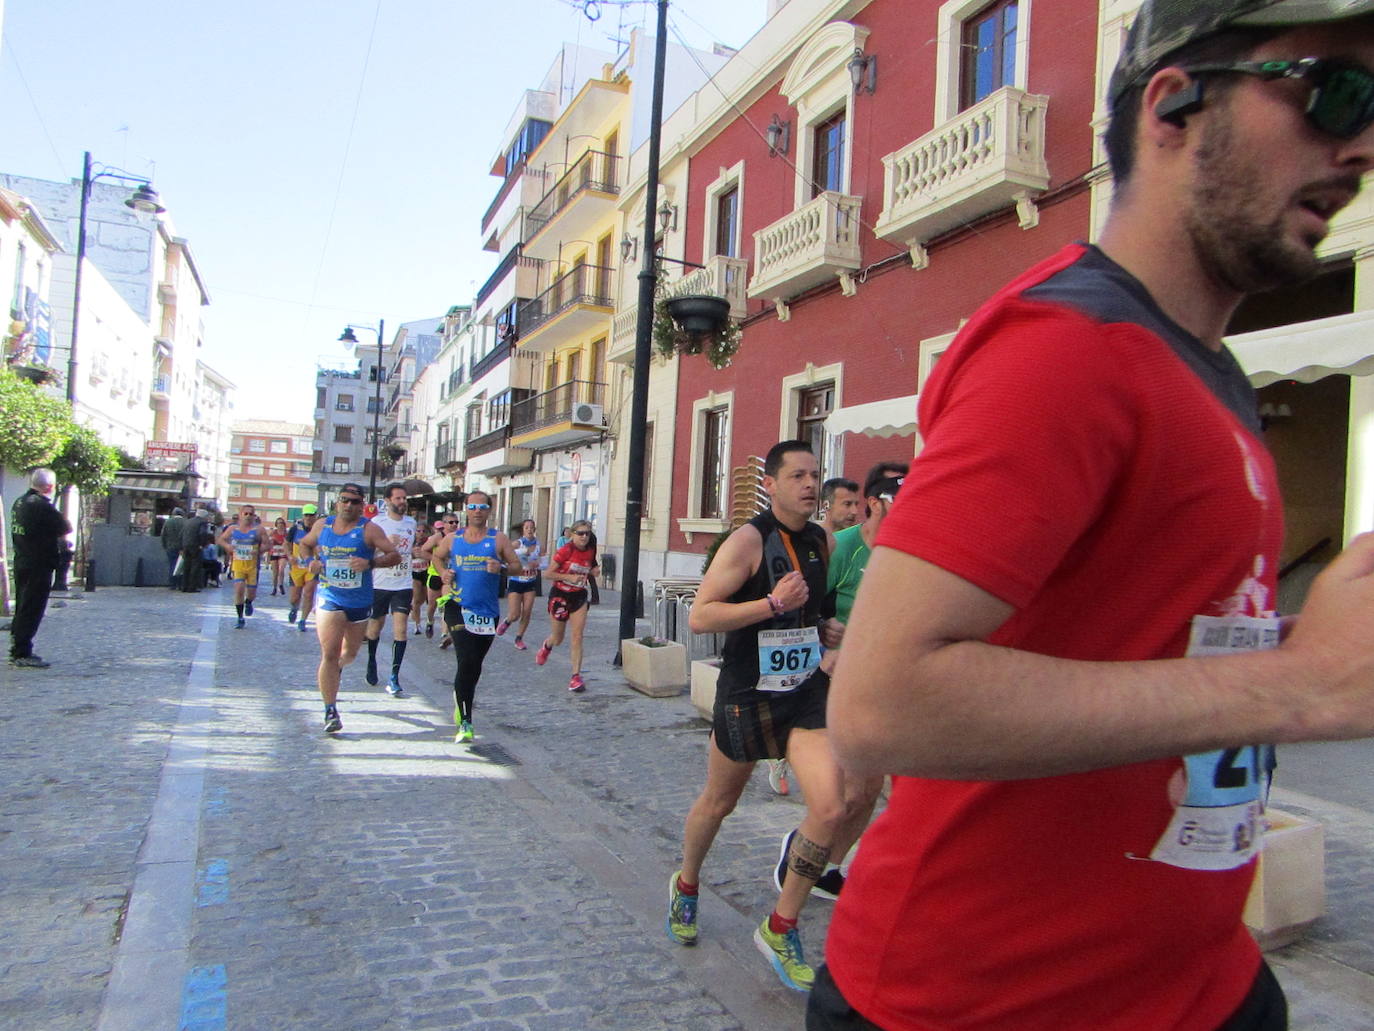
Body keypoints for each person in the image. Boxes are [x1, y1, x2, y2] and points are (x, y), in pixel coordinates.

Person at [813, 4, 1374, 1028]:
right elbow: (880, 703)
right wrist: (1303, 684)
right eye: (1336, 91)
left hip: (1192, 977)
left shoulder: (1209, 373)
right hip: (984, 999)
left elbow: (1142, 635)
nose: (1364, 144)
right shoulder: (1067, 346)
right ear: (1174, 108)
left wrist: (1315, 634)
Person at [666, 441, 853, 993]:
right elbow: (701, 616)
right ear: (769, 483)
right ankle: (688, 883)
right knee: (719, 802)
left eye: (814, 474)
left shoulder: (822, 540)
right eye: (796, 475)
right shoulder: (747, 541)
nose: (809, 484)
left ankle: (781, 925)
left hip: (803, 693)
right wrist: (769, 604)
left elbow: (811, 612)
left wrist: (824, 629)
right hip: (749, 693)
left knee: (832, 806)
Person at [774, 461, 907, 894]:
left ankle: (826, 866)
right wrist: (824, 642)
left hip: (883, 682)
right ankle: (798, 857)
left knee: (868, 792)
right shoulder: (843, 549)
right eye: (898, 501)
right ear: (875, 505)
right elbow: (802, 609)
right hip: (832, 680)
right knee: (847, 791)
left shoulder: (909, 553)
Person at [294, 482, 401, 734]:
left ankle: (339, 667)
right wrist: (311, 562)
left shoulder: (370, 530)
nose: (349, 505)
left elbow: (395, 556)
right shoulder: (323, 526)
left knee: (349, 654)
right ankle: (330, 709)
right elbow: (305, 544)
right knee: (328, 653)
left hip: (360, 601)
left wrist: (370, 563)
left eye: (354, 501)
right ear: (337, 502)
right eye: (344, 500)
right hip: (330, 597)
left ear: (362, 505)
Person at [430, 490, 525, 742]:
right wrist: (443, 574)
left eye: (482, 507)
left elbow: (518, 566)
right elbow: (437, 557)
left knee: (474, 665)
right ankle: (466, 722)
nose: (477, 511)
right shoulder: (453, 538)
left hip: (486, 611)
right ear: (466, 510)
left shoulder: (498, 539)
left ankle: (460, 694)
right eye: (472, 507)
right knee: (465, 658)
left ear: (489, 511)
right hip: (457, 604)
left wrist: (502, 568)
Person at [9, 468, 71, 668]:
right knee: (32, 608)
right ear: (50, 486)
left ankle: (17, 647)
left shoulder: (19, 502)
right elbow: (65, 527)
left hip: (22, 560)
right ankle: (22, 652)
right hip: (39, 563)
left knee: (22, 605)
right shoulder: (42, 506)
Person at [363, 483, 418, 697]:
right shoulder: (376, 524)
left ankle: (394, 677)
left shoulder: (411, 523)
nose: (402, 502)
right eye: (398, 498)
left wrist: (414, 551)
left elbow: (409, 550)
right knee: (374, 629)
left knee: (401, 629)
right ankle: (371, 660)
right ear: (387, 501)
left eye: (404, 498)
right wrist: (384, 544)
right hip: (379, 584)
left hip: (403, 583)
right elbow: (367, 552)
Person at [535, 519, 598, 692]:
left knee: (577, 636)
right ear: (572, 534)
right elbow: (548, 574)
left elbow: (592, 566)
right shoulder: (566, 550)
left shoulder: (591, 549)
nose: (584, 537)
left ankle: (575, 676)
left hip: (579, 596)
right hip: (560, 595)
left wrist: (594, 571)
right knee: (558, 638)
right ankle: (547, 645)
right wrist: (569, 577)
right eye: (580, 533)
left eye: (587, 533)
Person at [218, 506, 268, 627]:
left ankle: (249, 602)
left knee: (251, 593)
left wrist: (259, 551)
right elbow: (221, 540)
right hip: (238, 564)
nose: (248, 516)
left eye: (251, 514)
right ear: (240, 515)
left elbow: (267, 544)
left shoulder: (259, 530)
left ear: (254, 516)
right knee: (239, 588)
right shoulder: (232, 529)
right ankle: (240, 617)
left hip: (252, 566)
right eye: (245, 513)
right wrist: (228, 547)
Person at [498, 518, 541, 650]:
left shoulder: (538, 545)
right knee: (515, 614)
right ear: (523, 530)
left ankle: (519, 638)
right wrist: (522, 553)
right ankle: (507, 621)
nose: (529, 529)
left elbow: (544, 562)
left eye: (531, 527)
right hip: (516, 581)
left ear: (534, 529)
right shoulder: (518, 543)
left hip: (531, 582)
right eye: (526, 527)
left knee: (527, 612)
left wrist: (538, 564)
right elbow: (504, 553)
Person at [286, 505, 320, 631]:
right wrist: (289, 555)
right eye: (306, 515)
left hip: (312, 568)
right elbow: (286, 543)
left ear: (316, 516)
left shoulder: (319, 530)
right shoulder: (295, 529)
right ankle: (294, 608)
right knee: (295, 597)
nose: (308, 518)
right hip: (297, 567)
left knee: (308, 593)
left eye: (311, 515)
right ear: (303, 516)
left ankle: (303, 620)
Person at [409, 522, 433, 635]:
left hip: (426, 572)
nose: (421, 533)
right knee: (417, 599)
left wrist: (425, 554)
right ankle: (417, 625)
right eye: (418, 531)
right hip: (414, 572)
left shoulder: (429, 542)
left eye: (423, 531)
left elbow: (435, 556)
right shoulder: (410, 542)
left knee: (424, 599)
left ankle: (420, 617)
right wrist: (412, 554)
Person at [162, 507, 186, 589]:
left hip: (170, 547)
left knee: (172, 564)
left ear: (173, 514)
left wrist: (165, 545)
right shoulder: (185, 522)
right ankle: (180, 584)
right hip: (182, 548)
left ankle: (172, 584)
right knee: (181, 566)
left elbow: (163, 535)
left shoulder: (168, 522)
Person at [268, 517, 288, 595]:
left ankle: (281, 584)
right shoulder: (273, 532)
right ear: (276, 524)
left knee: (281, 569)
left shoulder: (287, 533)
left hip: (283, 554)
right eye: (279, 523)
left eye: (282, 523)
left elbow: (290, 543)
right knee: (275, 572)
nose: (280, 525)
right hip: (274, 553)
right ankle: (274, 588)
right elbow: (267, 541)